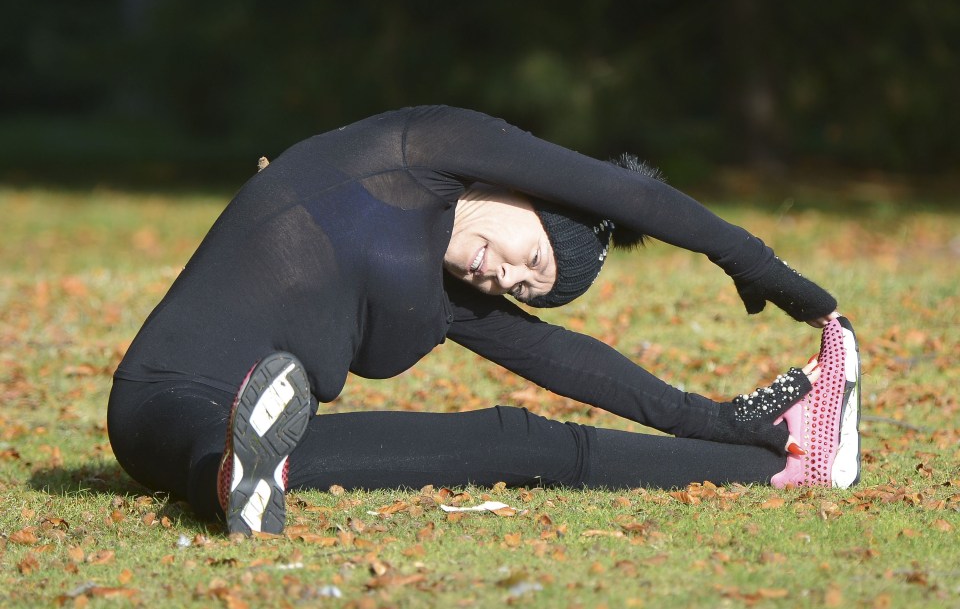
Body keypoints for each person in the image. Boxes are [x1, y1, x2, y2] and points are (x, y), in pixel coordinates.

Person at [107, 106, 861, 536]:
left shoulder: (446, 296)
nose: (506, 278)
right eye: (528, 254)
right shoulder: (418, 150)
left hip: (275, 443)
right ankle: (229, 463)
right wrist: (756, 263)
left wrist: (720, 419)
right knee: (212, 432)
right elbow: (621, 192)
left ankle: (786, 463)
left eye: (527, 287)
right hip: (162, 399)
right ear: (521, 191)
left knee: (522, 437)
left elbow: (565, 359)